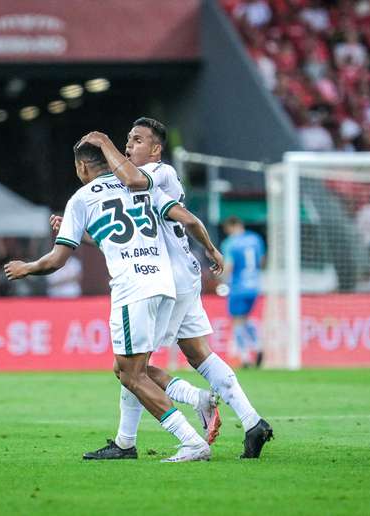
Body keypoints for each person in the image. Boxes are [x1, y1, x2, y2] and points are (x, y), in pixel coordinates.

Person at [71, 118, 272, 459]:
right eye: (127, 140)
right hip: (181, 275)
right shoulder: (136, 181)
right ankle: (253, 422)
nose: (128, 147)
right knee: (198, 355)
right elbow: (131, 230)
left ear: (156, 149)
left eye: (137, 141)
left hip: (165, 279)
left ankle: (140, 435)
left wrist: (103, 142)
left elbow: (135, 181)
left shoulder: (155, 174)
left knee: (131, 370)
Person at [5, 140, 216, 462]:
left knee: (133, 375)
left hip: (132, 289)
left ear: (82, 167)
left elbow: (56, 260)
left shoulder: (81, 199)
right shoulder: (140, 185)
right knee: (127, 368)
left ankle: (190, 441)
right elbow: (184, 221)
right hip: (165, 286)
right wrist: (212, 250)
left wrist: (27, 267)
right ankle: (183, 404)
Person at [221, 216, 266, 368]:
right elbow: (261, 261)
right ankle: (258, 346)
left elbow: (229, 266)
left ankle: (245, 357)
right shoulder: (256, 239)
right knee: (246, 318)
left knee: (237, 321)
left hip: (238, 287)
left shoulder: (230, 243)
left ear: (230, 227)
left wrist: (222, 280)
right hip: (254, 286)